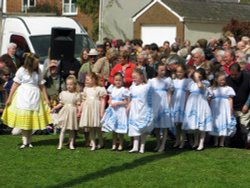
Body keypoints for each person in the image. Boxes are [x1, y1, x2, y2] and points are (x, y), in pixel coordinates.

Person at [1, 53, 51, 148]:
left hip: (35, 96)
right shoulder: (22, 70)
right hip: (23, 96)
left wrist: (46, 99)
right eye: (36, 62)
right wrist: (9, 98)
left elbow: (42, 86)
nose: (37, 64)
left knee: (31, 119)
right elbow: (15, 84)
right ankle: (25, 142)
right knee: (24, 120)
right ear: (30, 62)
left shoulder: (38, 72)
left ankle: (29, 141)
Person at [183, 68, 213, 151]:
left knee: (201, 124)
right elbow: (187, 94)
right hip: (192, 105)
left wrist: (197, 79)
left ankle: (201, 143)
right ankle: (196, 142)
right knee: (195, 125)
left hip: (201, 104)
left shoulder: (205, 83)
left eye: (199, 76)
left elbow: (200, 86)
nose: (197, 77)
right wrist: (186, 105)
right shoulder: (191, 84)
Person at [148, 63, 174, 152]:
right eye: (161, 70)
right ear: (157, 70)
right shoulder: (152, 81)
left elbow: (170, 93)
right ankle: (158, 143)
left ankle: (163, 145)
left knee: (165, 125)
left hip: (164, 102)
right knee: (157, 126)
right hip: (156, 102)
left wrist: (169, 105)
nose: (163, 72)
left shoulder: (167, 80)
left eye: (164, 70)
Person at [101, 72, 130, 151]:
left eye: (119, 80)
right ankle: (114, 144)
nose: (118, 82)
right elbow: (110, 99)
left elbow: (126, 102)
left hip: (120, 110)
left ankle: (120, 144)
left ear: (122, 81)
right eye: (116, 80)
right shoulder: (112, 89)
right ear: (114, 80)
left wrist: (117, 103)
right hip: (113, 110)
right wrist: (110, 102)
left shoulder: (123, 90)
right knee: (114, 129)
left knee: (119, 129)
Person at [127, 68, 153, 153]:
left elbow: (149, 97)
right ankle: (135, 146)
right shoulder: (133, 87)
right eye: (133, 78)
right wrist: (128, 107)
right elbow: (131, 98)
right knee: (134, 127)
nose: (134, 79)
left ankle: (142, 146)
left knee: (142, 128)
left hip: (143, 108)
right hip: (134, 109)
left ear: (141, 76)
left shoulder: (146, 86)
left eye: (135, 77)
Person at [79, 72, 107, 151]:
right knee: (91, 127)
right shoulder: (86, 89)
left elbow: (102, 100)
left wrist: (101, 111)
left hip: (95, 109)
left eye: (88, 80)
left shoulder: (99, 89)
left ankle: (101, 141)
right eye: (86, 80)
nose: (86, 81)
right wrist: (80, 110)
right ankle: (93, 143)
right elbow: (83, 101)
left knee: (97, 126)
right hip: (88, 109)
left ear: (94, 80)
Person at [51, 75, 81, 150]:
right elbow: (61, 103)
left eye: (71, 84)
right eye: (67, 84)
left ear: (74, 85)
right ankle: (60, 144)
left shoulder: (76, 94)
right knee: (63, 129)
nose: (69, 86)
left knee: (71, 129)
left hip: (72, 112)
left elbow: (78, 105)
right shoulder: (63, 93)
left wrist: (79, 112)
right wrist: (54, 108)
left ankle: (71, 144)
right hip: (65, 112)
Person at [208, 72, 236, 147]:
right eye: (220, 80)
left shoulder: (228, 89)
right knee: (216, 122)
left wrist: (231, 109)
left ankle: (222, 142)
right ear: (216, 80)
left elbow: (230, 99)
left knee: (224, 121)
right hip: (215, 108)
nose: (222, 82)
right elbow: (209, 99)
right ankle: (216, 141)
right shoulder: (212, 88)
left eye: (223, 80)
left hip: (224, 108)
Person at [226, 63, 250, 148]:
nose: (233, 76)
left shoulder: (247, 77)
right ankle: (229, 143)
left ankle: (247, 143)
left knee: (244, 127)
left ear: (240, 72)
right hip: (233, 108)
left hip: (245, 107)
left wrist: (247, 104)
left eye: (235, 74)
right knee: (232, 128)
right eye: (231, 74)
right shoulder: (228, 80)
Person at [171, 64, 190, 149]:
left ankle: (183, 141)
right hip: (176, 102)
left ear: (184, 72)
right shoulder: (174, 81)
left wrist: (186, 103)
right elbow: (172, 92)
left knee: (182, 123)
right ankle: (177, 140)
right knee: (177, 124)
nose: (179, 73)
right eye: (177, 72)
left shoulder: (187, 81)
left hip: (182, 102)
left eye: (181, 72)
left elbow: (187, 93)